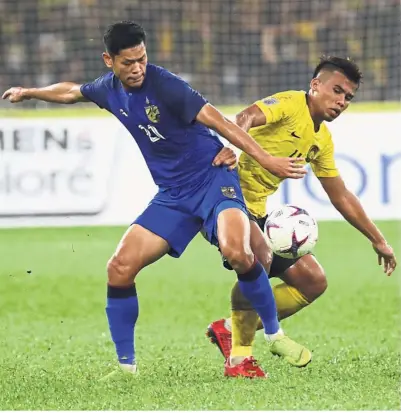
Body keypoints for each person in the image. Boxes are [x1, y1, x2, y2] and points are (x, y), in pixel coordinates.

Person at [2, 21, 310, 379]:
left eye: (142, 59)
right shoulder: (107, 90)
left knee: (239, 252)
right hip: (174, 196)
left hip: (213, 179)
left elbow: (220, 121)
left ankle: (275, 335)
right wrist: (30, 91)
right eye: (128, 62)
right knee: (119, 268)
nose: (137, 69)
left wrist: (264, 158)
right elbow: (72, 92)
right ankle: (125, 367)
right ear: (109, 61)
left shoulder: (165, 84)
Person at [207, 56, 397, 375]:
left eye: (348, 97)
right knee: (261, 257)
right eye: (336, 91)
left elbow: (341, 195)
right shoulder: (291, 103)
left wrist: (379, 240)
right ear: (315, 85)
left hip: (255, 211)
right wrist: (238, 150)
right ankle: (239, 357)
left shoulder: (321, 140)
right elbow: (246, 116)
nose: (341, 101)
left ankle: (229, 328)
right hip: (222, 198)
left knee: (312, 281)